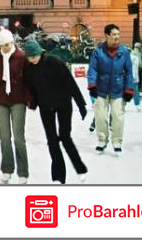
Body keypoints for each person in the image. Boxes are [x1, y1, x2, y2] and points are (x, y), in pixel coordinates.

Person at [22, 40, 88, 184]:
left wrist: (81, 104)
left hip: (63, 104)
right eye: (29, 57)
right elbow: (30, 87)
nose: (32, 59)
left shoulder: (54, 62)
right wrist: (32, 102)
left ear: (40, 52)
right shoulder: (28, 68)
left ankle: (80, 168)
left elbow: (70, 82)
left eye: (34, 56)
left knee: (65, 137)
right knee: (52, 141)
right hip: (45, 107)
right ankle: (58, 176)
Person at [0, 29, 33, 184]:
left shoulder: (22, 58)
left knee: (18, 138)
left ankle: (23, 172)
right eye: (2, 45)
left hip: (18, 101)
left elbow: (30, 82)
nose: (5, 48)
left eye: (7, 44)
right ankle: (7, 170)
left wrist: (31, 100)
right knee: (4, 138)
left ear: (13, 42)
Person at [87, 24, 134, 154]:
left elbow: (129, 72)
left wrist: (129, 89)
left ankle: (117, 141)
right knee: (100, 117)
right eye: (114, 34)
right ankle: (102, 140)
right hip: (101, 88)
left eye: (118, 34)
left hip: (118, 89)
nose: (117, 37)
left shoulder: (124, 51)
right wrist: (92, 85)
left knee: (118, 116)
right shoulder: (98, 51)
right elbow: (93, 69)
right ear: (107, 35)